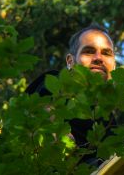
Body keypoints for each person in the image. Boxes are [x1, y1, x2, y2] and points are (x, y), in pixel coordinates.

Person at [25, 24, 116, 166]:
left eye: (106, 53)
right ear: (70, 62)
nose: (98, 58)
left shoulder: (110, 121)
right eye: (89, 51)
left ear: (114, 65)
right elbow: (53, 138)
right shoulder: (55, 86)